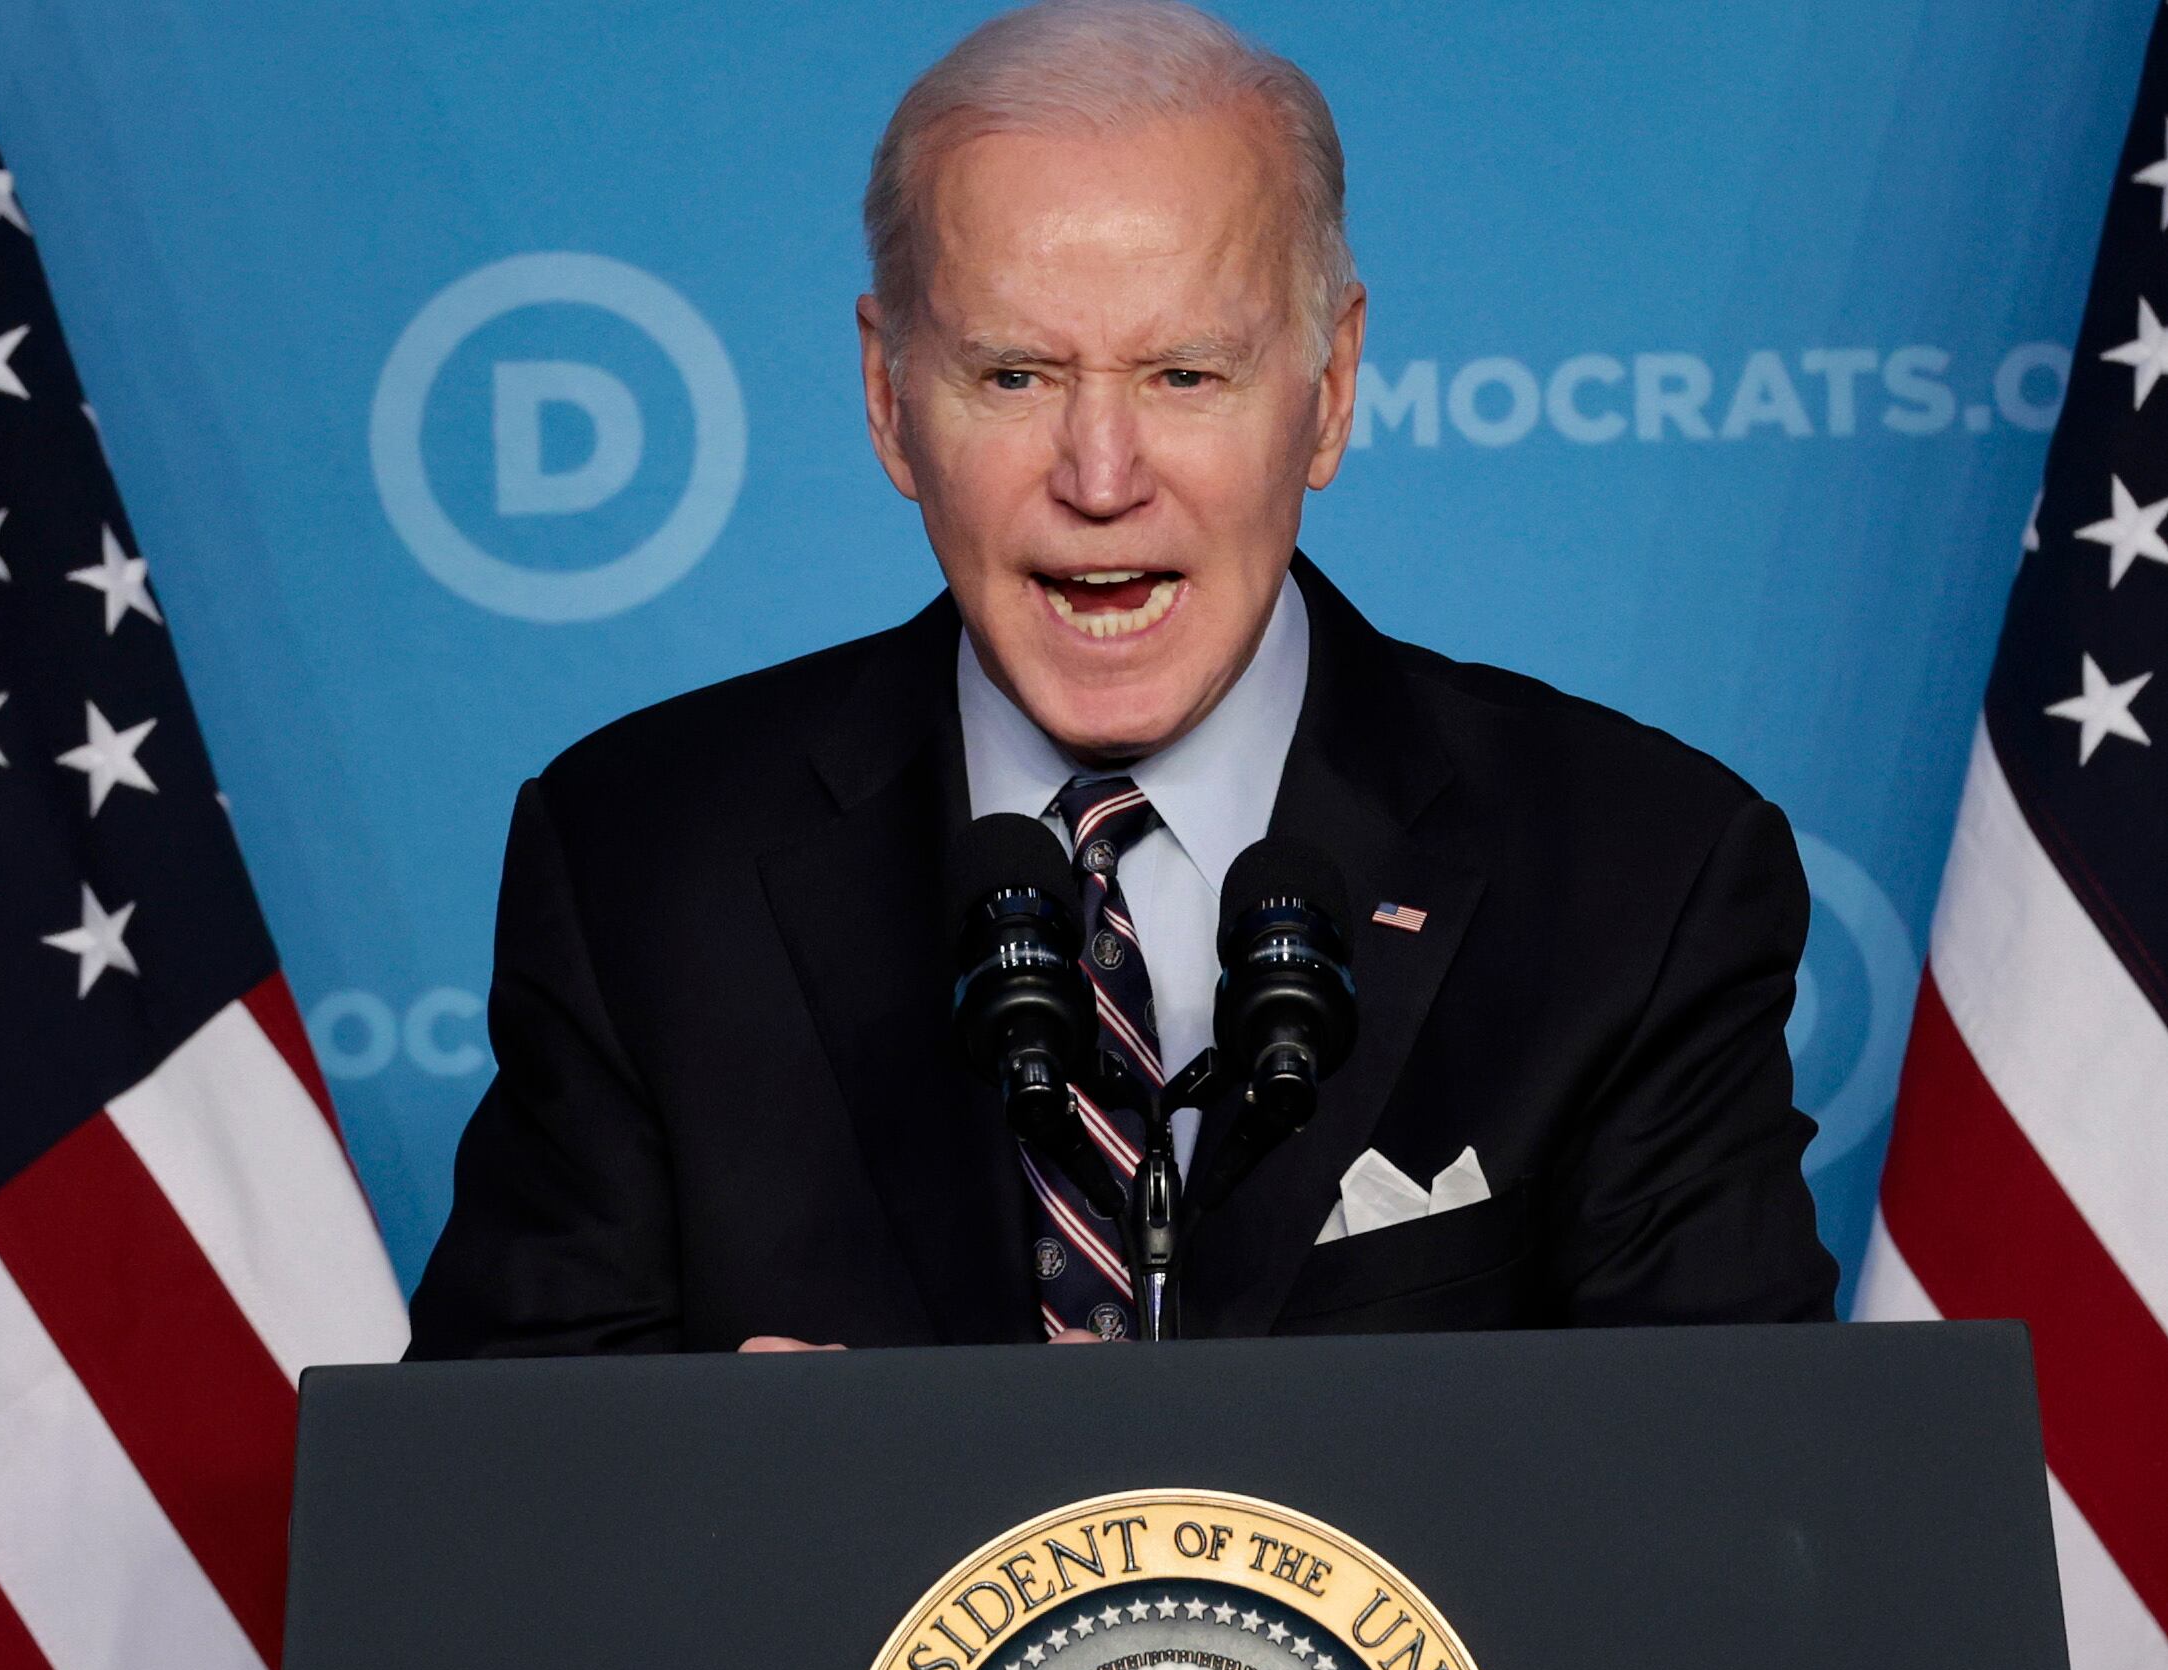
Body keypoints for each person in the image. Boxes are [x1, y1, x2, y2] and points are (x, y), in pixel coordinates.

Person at [405, 0, 1837, 1357]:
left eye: (1184, 378)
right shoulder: (642, 862)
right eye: (1014, 377)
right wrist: (730, 1499)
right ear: (888, 397)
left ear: (1329, 388)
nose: (1100, 479)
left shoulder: (1639, 875)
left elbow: (1752, 1528)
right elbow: (489, 1530)